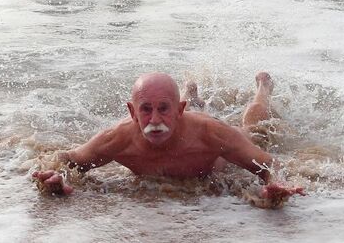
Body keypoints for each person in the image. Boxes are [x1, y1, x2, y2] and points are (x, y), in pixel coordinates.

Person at [32, 71, 305, 208]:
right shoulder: (117, 139)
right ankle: (189, 91)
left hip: (217, 143)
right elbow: (68, 160)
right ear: (132, 112)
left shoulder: (211, 133)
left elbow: (270, 164)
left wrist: (275, 185)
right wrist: (57, 178)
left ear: (179, 111)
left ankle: (263, 87)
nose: (154, 121)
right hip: (188, 120)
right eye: (145, 110)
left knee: (256, 128)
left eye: (164, 109)